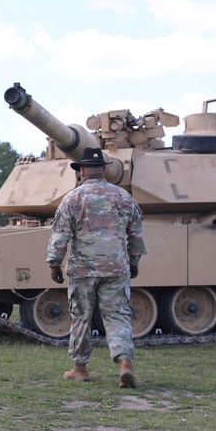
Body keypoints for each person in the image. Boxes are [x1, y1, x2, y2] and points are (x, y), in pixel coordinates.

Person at [47, 147, 147, 389]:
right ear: (104, 168)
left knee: (81, 316)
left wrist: (54, 264)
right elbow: (135, 234)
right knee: (117, 316)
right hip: (115, 268)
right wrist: (134, 262)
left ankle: (80, 369)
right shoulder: (124, 197)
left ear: (82, 170)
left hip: (83, 269)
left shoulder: (73, 198)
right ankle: (124, 364)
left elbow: (60, 235)